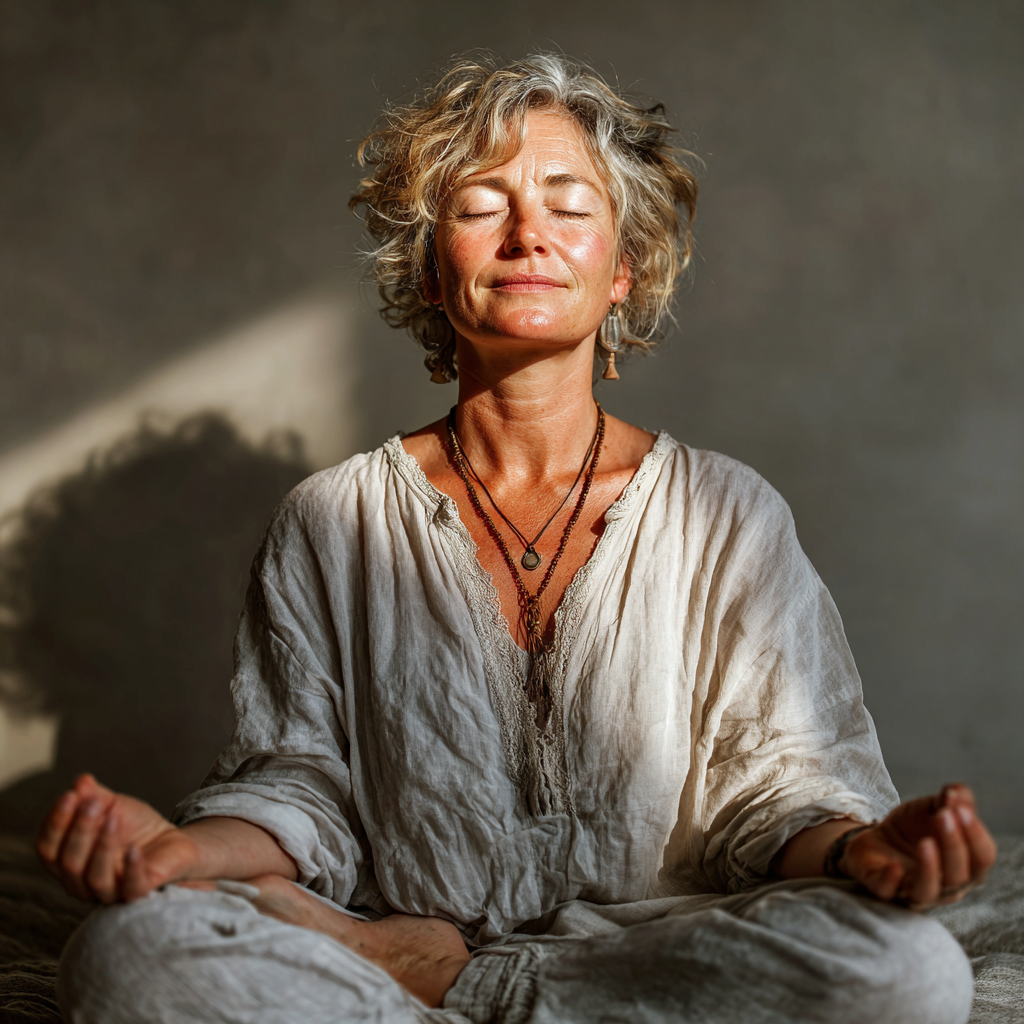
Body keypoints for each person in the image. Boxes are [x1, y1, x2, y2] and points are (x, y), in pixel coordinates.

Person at [38, 54, 995, 1024]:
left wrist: (858, 848)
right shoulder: (335, 518)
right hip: (451, 951)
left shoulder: (727, 513)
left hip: (652, 948)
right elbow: (300, 783)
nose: (528, 232)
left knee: (909, 971)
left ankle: (448, 983)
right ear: (428, 266)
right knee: (126, 955)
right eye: (481, 205)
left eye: (568, 205)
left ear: (623, 268)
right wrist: (176, 850)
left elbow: (778, 786)